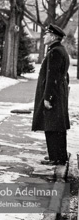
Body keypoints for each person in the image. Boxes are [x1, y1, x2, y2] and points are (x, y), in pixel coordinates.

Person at [32, 24, 70, 166]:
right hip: (59, 93)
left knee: (52, 126)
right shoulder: (60, 50)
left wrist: (48, 98)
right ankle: (58, 155)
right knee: (57, 125)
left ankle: (57, 157)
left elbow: (52, 77)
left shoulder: (55, 52)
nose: (43, 36)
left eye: (46, 34)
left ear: (53, 37)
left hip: (54, 95)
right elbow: (64, 75)